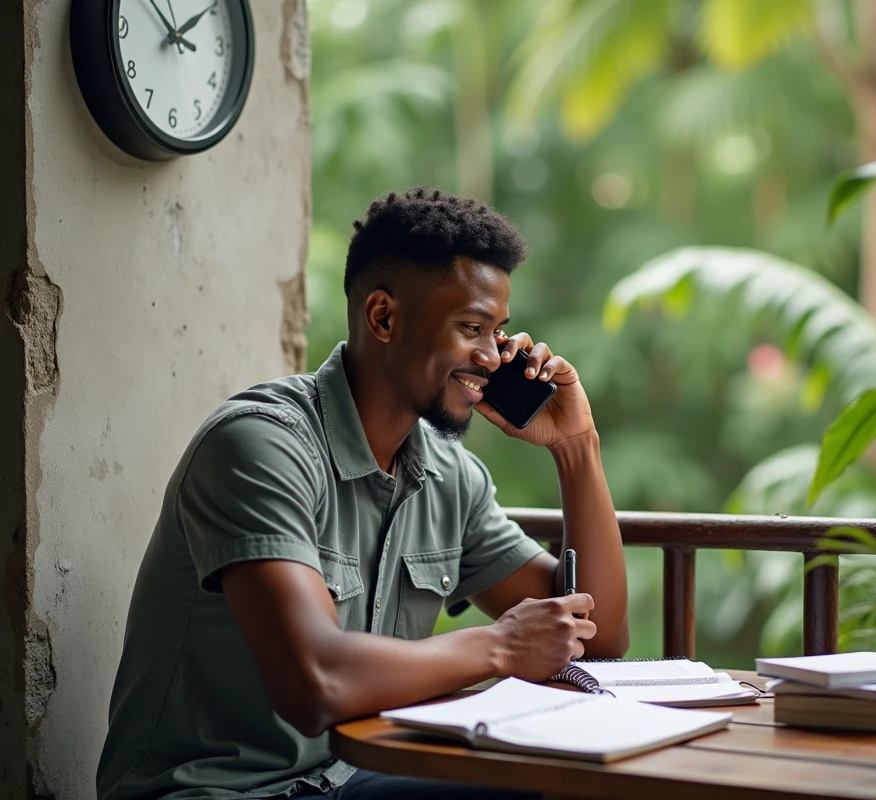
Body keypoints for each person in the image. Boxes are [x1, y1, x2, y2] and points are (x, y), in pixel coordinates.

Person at [96, 188, 630, 799]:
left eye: (498, 332)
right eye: (471, 328)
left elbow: (602, 634)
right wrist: (502, 646)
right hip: (222, 793)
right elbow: (314, 681)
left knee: (584, 786)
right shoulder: (258, 446)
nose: (490, 356)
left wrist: (576, 446)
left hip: (350, 780)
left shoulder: (450, 479)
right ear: (383, 317)